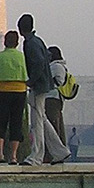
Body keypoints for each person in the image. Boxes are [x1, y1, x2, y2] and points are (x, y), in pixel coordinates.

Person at [18, 14, 69, 165]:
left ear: (20, 29)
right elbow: (46, 56)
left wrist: (32, 80)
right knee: (42, 119)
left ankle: (36, 156)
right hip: (43, 85)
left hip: (38, 87)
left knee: (37, 122)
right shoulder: (37, 40)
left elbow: (40, 61)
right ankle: (60, 152)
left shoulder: (30, 43)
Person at [0, 30, 28, 164]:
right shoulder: (22, 57)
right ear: (17, 42)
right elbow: (27, 75)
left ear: (4, 42)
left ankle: (0, 154)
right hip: (19, 93)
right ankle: (14, 156)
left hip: (2, 93)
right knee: (16, 124)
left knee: (0, 124)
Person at [45, 45, 69, 151]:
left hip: (52, 99)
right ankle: (60, 151)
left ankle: (56, 152)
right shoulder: (56, 66)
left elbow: (59, 82)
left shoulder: (56, 67)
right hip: (53, 98)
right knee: (56, 125)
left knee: (53, 126)